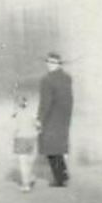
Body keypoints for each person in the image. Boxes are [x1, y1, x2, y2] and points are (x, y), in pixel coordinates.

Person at [37, 51, 74, 187]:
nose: (50, 65)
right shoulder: (67, 78)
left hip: (52, 116)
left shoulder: (46, 80)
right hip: (64, 116)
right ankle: (62, 176)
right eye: (48, 62)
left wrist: (39, 119)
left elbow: (45, 102)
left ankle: (60, 178)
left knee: (51, 146)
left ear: (58, 64)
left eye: (53, 62)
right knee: (59, 145)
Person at [11, 92, 39, 192]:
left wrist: (13, 137)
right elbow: (38, 125)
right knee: (29, 161)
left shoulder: (16, 113)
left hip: (21, 138)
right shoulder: (32, 112)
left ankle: (26, 184)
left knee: (23, 162)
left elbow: (14, 128)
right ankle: (30, 177)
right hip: (31, 138)